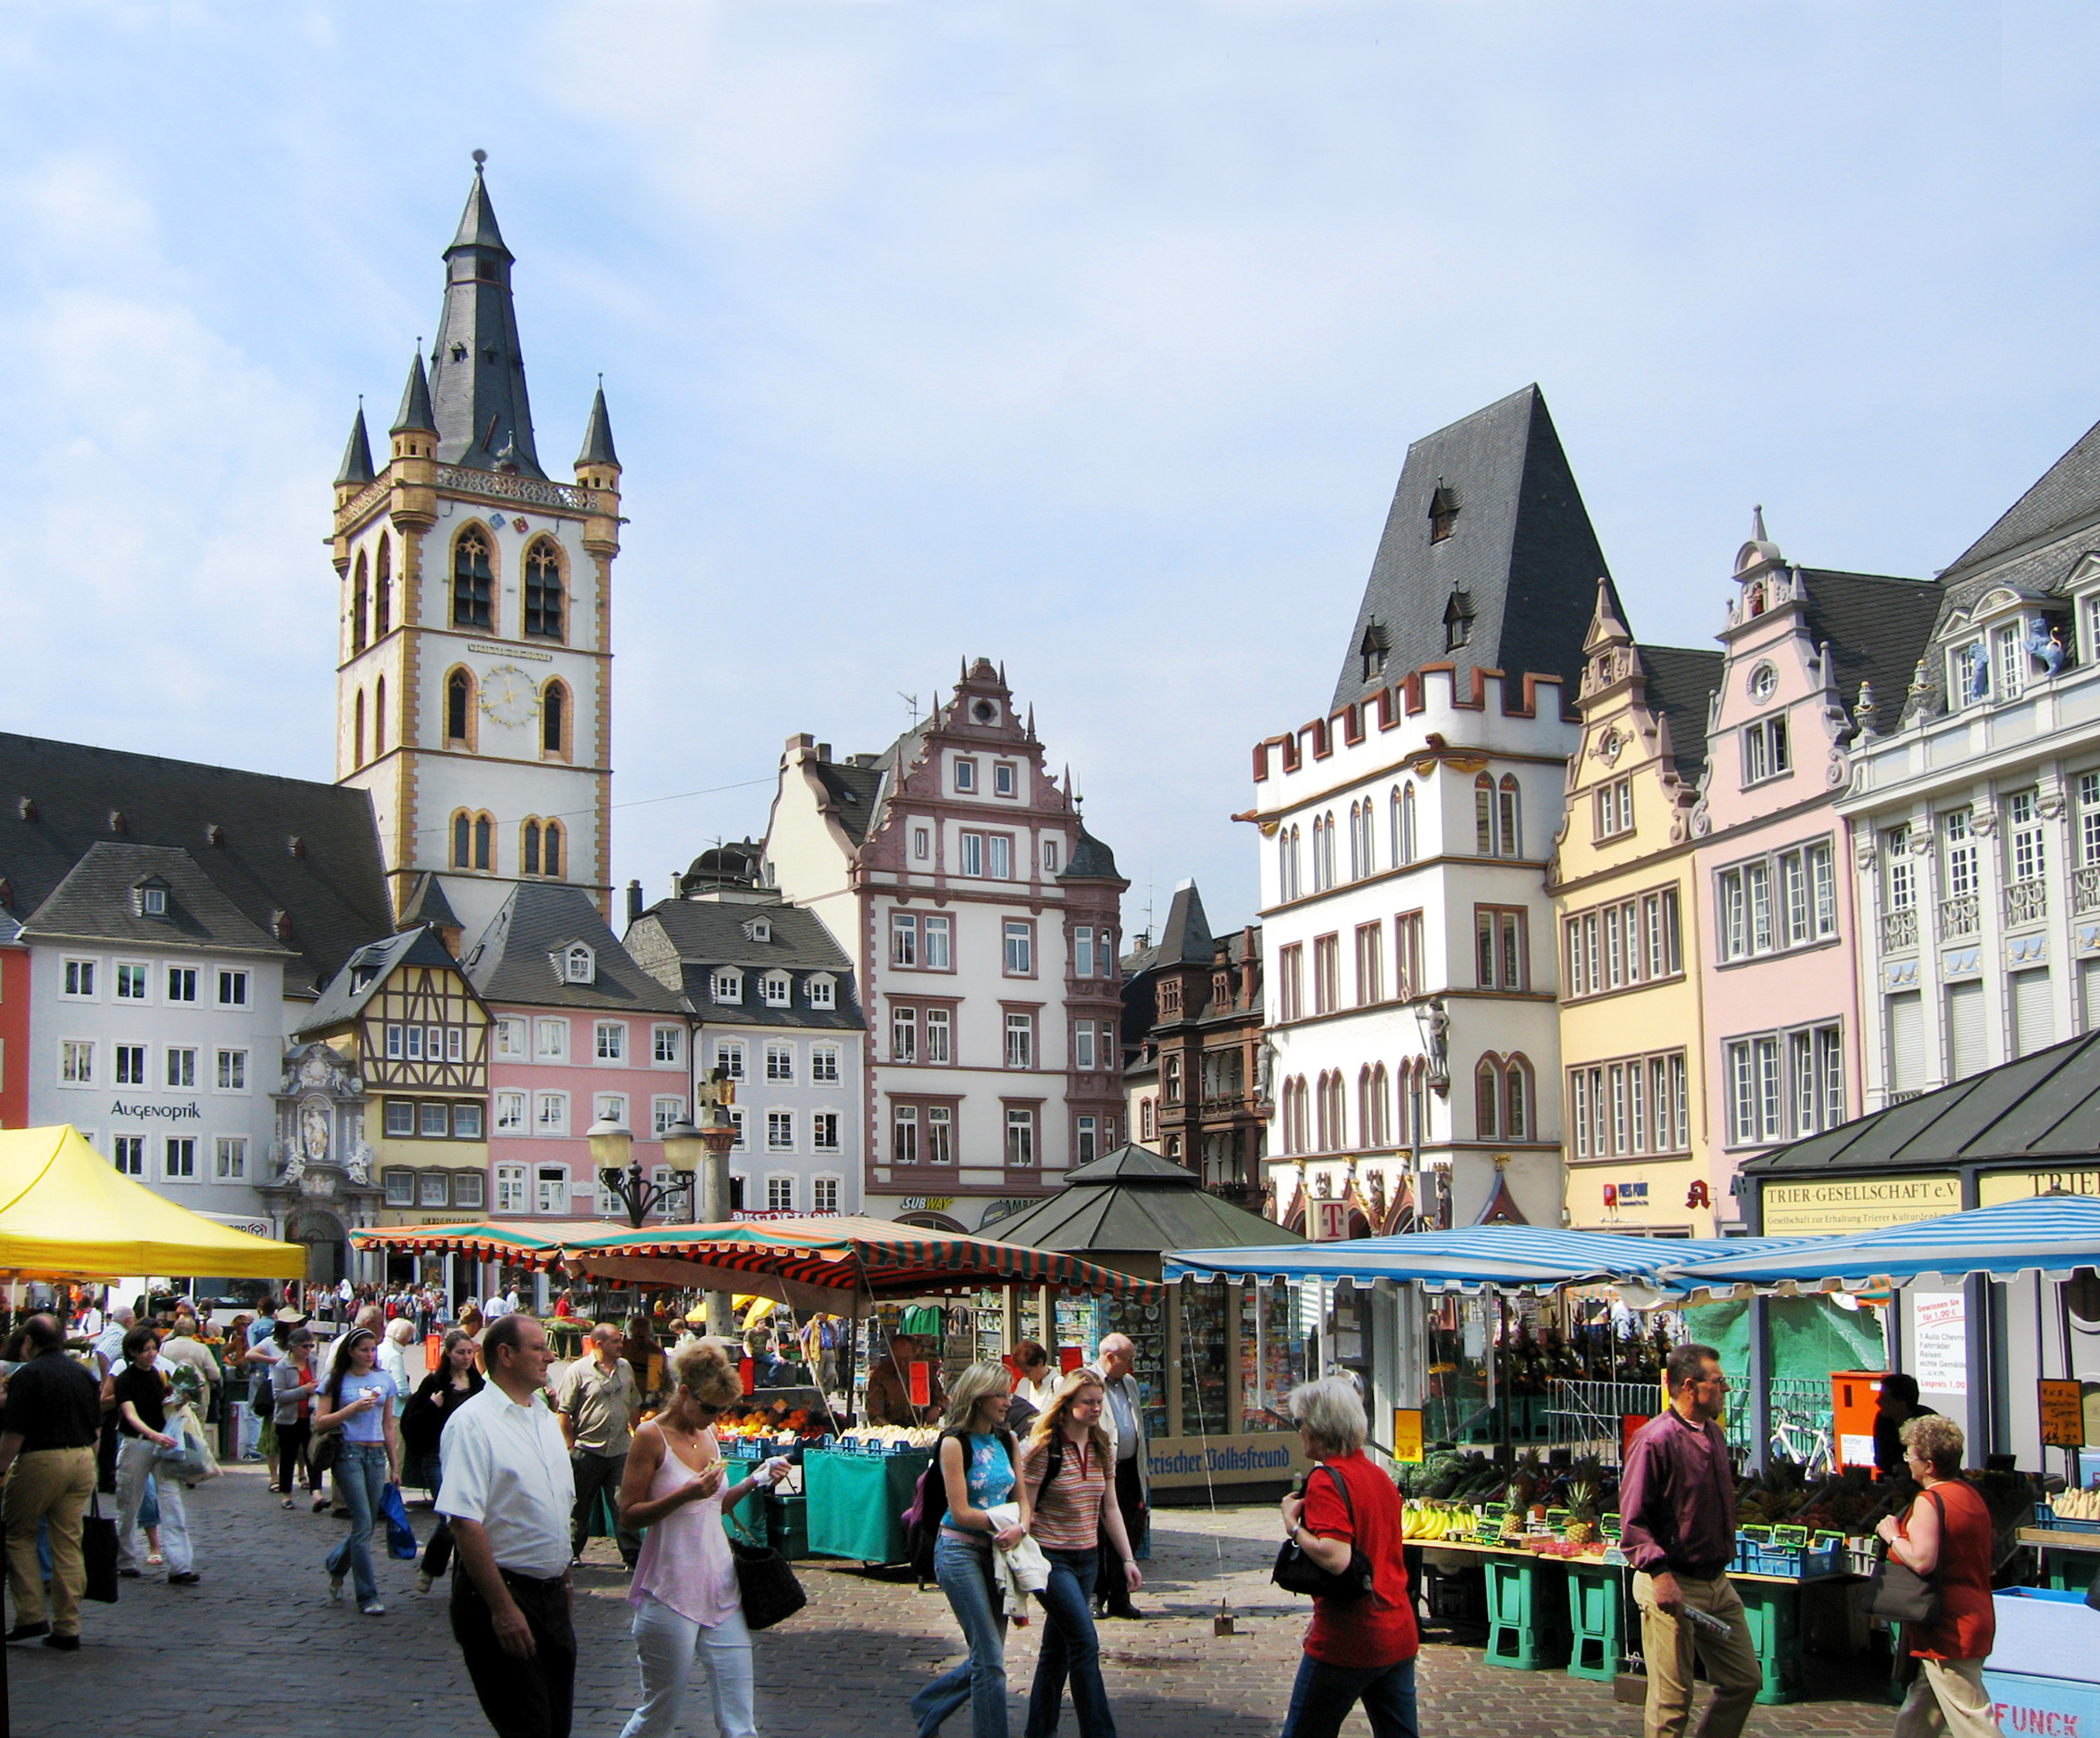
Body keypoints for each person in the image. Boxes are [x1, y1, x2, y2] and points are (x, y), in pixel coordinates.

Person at [617, 1340, 787, 1738]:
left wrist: (754, 1479)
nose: (714, 1418)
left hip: (722, 1587)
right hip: (671, 1587)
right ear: (684, 1393)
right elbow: (628, 1513)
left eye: (723, 1410)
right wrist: (685, 1494)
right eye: (709, 1408)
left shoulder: (708, 1435)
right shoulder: (650, 1435)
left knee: (739, 1718)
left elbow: (712, 1506)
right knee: (659, 1710)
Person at [439, 1312, 579, 1738]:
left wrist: (565, 1581)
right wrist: (502, 1608)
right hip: (502, 1595)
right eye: (537, 1348)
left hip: (550, 1597)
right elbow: (465, 1523)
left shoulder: (542, 1417)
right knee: (529, 1727)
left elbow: (557, 1507)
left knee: (555, 1726)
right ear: (505, 1354)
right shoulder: (472, 1422)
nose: (549, 1356)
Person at [1620, 1344, 1761, 1738]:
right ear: (1688, 1386)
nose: (1725, 1389)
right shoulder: (1654, 1439)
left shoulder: (1714, 1433)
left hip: (1716, 1582)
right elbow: (1632, 1521)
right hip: (1669, 1580)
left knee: (1744, 1680)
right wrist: (1660, 1575)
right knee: (1672, 1701)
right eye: (1718, 1382)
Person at [1273, 1377, 1416, 1738]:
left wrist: (1293, 1526)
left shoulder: (1326, 1479)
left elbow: (1335, 1557)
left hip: (1350, 1637)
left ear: (1319, 1427)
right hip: (1397, 1629)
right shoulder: (1378, 1475)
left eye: (1300, 1421)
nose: (1299, 1430)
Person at [910, 1362, 1032, 1738]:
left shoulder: (1007, 1439)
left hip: (999, 1554)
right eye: (1000, 1394)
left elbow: (1024, 1499)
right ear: (978, 1398)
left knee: (987, 1656)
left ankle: (929, 1704)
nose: (1007, 1402)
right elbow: (960, 1512)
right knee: (990, 1659)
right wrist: (1004, 1524)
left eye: (1009, 1393)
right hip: (959, 1552)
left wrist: (1022, 1526)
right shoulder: (953, 1443)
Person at [1019, 1369, 1143, 1738]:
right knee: (1084, 1641)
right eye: (1087, 1401)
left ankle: (1038, 1731)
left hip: (1087, 1557)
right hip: (1050, 1560)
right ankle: (1100, 1731)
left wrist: (1127, 1559)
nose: (1095, 1408)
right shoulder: (1045, 1449)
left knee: (1056, 1653)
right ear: (1068, 1404)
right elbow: (1026, 1505)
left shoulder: (1103, 1445)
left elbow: (1110, 1509)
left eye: (1098, 1402)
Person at [1877, 1414, 2006, 1738]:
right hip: (1971, 1613)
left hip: (1948, 1625)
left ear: (1930, 1464)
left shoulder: (1931, 1500)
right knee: (1920, 1710)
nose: (1907, 1462)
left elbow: (1922, 1560)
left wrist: (1893, 1535)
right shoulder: (1968, 1493)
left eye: (1911, 1455)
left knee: (1972, 1720)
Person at [0, 1313, 102, 1650]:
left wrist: (1, 1470)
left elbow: (14, 1433)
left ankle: (30, 1614)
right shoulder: (82, 1374)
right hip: (83, 1458)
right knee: (68, 1540)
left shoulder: (28, 1376)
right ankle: (67, 1625)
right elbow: (96, 1431)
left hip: (41, 1458)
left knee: (18, 1533)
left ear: (29, 1342)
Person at [312, 1324, 401, 1615]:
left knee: (367, 1523)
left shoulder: (384, 1379)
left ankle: (336, 1563)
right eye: (363, 1349)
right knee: (362, 1522)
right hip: (348, 1452)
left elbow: (388, 1424)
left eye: (372, 1349)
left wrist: (394, 1464)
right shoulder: (336, 1381)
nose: (369, 1354)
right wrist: (351, 1409)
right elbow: (320, 1422)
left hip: (376, 1455)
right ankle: (368, 1595)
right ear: (350, 1352)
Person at [105, 1324, 199, 1585]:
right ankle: (125, 1559)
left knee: (172, 1502)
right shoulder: (125, 1379)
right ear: (132, 1352)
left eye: (154, 1348)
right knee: (129, 1502)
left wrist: (182, 1400)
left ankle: (180, 1565)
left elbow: (165, 1407)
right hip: (137, 1444)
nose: (151, 1353)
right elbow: (129, 1414)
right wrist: (153, 1435)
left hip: (163, 1445)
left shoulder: (161, 1375)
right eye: (145, 1349)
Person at [556, 1322, 644, 1570]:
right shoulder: (578, 1371)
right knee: (580, 1504)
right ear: (599, 1344)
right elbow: (564, 1412)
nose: (621, 1345)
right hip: (587, 1449)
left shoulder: (625, 1368)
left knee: (623, 1502)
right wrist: (571, 1446)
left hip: (619, 1448)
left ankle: (632, 1554)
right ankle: (572, 1550)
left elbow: (634, 1401)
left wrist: (635, 1434)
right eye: (616, 1341)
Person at [407, 1328, 485, 1594]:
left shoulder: (478, 1385)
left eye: (469, 1352)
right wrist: (432, 1406)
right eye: (459, 1353)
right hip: (437, 1456)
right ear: (448, 1354)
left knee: (470, 1517)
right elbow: (412, 1421)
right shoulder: (434, 1383)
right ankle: (430, 1568)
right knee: (450, 1516)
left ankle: (467, 1575)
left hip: (468, 1457)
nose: (465, 1357)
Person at [1087, 1334, 1149, 1618]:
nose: (1132, 1364)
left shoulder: (1130, 1384)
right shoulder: (1085, 1381)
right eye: (1128, 1359)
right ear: (1110, 1357)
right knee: (1097, 1534)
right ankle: (1095, 1595)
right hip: (1096, 1470)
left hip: (1126, 1469)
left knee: (1123, 1531)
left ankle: (1120, 1596)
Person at [269, 1324, 324, 1510]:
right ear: (293, 1346)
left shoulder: (313, 1362)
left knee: (313, 1455)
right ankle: (286, 1494)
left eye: (311, 1346)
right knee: (288, 1456)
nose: (308, 1350)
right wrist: (304, 1391)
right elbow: (278, 1396)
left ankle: (317, 1493)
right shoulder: (282, 1366)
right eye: (305, 1346)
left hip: (309, 1416)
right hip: (288, 1419)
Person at [867, 1332, 946, 1426]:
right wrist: (890, 1430)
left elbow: (941, 1399)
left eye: (906, 1359)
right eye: (898, 1360)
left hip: (922, 1425)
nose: (903, 1364)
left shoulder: (923, 1369)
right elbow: (875, 1414)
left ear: (914, 1354)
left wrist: (937, 1408)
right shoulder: (881, 1375)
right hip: (892, 1428)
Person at [1874, 1374, 1939, 1482]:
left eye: (1884, 1398)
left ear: (1901, 1404)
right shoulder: (1883, 1420)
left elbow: (1939, 1462)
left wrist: (1909, 1469)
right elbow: (1882, 1459)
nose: (1877, 1402)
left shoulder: (1928, 1423)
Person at [380, 1319, 418, 1419]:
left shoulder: (378, 1348)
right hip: (395, 1412)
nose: (410, 1339)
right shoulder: (395, 1356)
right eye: (410, 1335)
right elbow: (403, 1391)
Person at [1012, 1343, 1058, 1409]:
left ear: (1040, 1363)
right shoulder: (1024, 1383)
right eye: (1022, 1372)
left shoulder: (1057, 1383)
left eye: (1028, 1371)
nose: (1025, 1375)